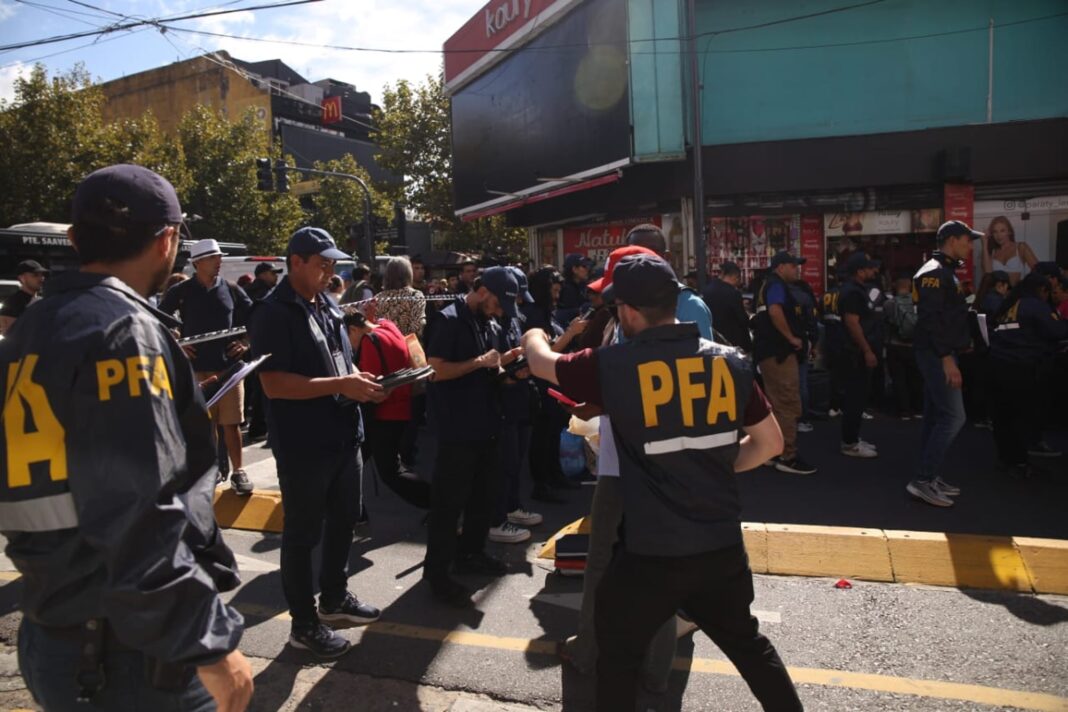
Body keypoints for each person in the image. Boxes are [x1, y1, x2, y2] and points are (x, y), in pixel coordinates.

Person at [0, 164, 252, 710]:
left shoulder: (29, 329)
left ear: (74, 239)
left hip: (53, 628)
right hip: (130, 652)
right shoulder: (124, 330)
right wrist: (207, 642)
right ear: (167, 241)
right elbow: (139, 513)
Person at [522, 253, 803, 712]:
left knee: (618, 657)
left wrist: (533, 331)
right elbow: (770, 443)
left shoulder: (613, 364)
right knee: (749, 647)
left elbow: (540, 362)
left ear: (629, 312)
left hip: (650, 555)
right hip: (720, 547)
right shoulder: (730, 363)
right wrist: (711, 464)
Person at [248, 226, 386, 658]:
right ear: (296, 263)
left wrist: (359, 379)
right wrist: (341, 385)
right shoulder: (273, 312)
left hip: (344, 433)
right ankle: (303, 625)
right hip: (304, 443)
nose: (330, 272)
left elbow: (338, 362)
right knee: (302, 534)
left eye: (333, 265)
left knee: (344, 522)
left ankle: (334, 599)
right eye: (322, 264)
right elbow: (274, 384)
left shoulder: (326, 303)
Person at [423, 266, 518, 606]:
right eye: (497, 303)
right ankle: (437, 574)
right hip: (457, 428)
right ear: (482, 290)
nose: (499, 311)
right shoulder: (449, 320)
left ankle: (471, 554)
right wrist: (478, 363)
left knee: (484, 497)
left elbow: (491, 367)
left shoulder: (487, 322)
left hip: (487, 423)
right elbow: (435, 370)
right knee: (448, 505)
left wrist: (509, 369)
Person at [159, 238, 255, 495]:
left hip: (230, 370)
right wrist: (176, 344)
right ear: (197, 263)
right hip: (196, 370)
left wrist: (246, 342)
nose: (219, 261)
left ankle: (238, 472)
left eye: (219, 256)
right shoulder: (180, 291)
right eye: (213, 257)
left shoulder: (232, 289)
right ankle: (209, 471)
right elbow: (158, 320)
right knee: (204, 424)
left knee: (232, 424)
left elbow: (256, 318)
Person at [907, 220, 980, 507]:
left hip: (939, 352)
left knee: (937, 416)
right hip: (937, 354)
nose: (970, 246)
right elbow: (931, 320)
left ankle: (928, 475)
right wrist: (947, 358)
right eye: (967, 240)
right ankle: (923, 479)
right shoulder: (935, 272)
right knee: (953, 417)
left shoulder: (943, 270)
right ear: (952, 240)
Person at [345, 310, 431, 509]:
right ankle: (354, 508)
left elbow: (370, 384)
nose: (350, 346)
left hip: (384, 413)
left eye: (347, 338)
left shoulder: (369, 341)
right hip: (402, 407)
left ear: (353, 329)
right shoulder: (388, 326)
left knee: (391, 472)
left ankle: (438, 503)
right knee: (357, 461)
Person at [988, 274, 1067, 478]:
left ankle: (1006, 459)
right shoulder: (1035, 305)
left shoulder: (1009, 305)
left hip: (998, 363)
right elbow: (1057, 331)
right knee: (1021, 416)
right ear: (1041, 290)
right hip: (1021, 366)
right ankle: (1020, 462)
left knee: (1003, 417)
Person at [522, 266, 589, 502]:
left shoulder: (547, 312)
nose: (557, 296)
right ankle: (542, 482)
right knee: (542, 435)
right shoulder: (534, 314)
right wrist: (570, 333)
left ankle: (554, 474)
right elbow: (544, 353)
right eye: (554, 291)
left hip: (552, 382)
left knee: (552, 433)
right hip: (540, 384)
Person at [488, 266, 543, 544]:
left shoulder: (514, 317)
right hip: (502, 402)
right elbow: (489, 362)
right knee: (504, 462)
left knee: (516, 459)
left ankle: (511, 506)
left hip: (520, 397)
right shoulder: (490, 321)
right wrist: (510, 364)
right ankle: (497, 517)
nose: (519, 303)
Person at [752, 251, 818, 475]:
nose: (797, 269)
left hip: (769, 353)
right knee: (788, 403)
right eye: (793, 265)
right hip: (779, 353)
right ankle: (788, 456)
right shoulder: (776, 285)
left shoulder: (768, 284)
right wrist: (791, 338)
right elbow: (775, 310)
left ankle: (773, 452)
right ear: (780, 267)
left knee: (776, 404)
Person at [625, 224, 713, 333]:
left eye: (652, 251)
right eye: (636, 252)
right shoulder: (624, 304)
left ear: (666, 257)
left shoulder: (689, 305)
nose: (644, 258)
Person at [835, 253, 882, 457]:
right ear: (860, 271)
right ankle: (850, 443)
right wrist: (867, 350)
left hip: (857, 350)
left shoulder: (857, 290)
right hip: (855, 352)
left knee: (858, 397)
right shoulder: (852, 292)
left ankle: (852, 438)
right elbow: (852, 323)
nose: (874, 271)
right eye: (869, 268)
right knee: (855, 398)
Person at [884, 276, 923, 419]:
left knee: (898, 379)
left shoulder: (889, 303)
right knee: (916, 378)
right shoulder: (918, 303)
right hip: (914, 345)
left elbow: (887, 322)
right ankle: (918, 408)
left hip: (895, 345)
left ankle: (904, 410)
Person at [702, 260, 752, 350]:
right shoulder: (733, 293)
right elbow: (742, 319)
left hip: (714, 340)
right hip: (734, 342)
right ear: (735, 276)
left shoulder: (707, 290)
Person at [375, 256, 427, 338]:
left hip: (384, 343)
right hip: (407, 344)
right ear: (408, 274)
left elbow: (374, 325)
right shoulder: (415, 295)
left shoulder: (378, 298)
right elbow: (418, 326)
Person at [981, 216, 1036, 285]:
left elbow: (1039, 270)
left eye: (1002, 231)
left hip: (1017, 291)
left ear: (1009, 231)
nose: (999, 235)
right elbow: (988, 274)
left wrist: (1027, 285)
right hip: (997, 291)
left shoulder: (1020, 247)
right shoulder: (992, 252)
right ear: (992, 234)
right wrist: (985, 243)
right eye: (995, 232)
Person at [0, 259, 47, 335]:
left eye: (42, 275)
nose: (41, 278)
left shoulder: (43, 300)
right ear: (22, 278)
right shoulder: (12, 303)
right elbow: (12, 334)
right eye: (35, 275)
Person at [556, 253, 592, 325]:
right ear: (574, 269)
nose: (587, 269)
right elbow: (558, 314)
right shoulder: (562, 287)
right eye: (584, 266)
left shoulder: (584, 285)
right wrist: (580, 310)